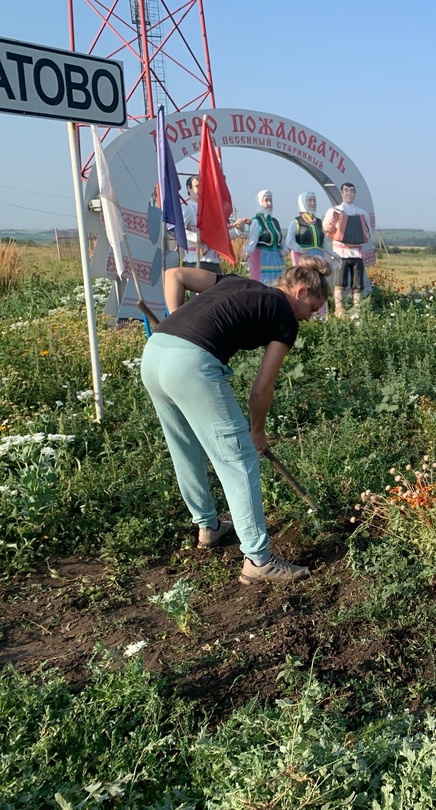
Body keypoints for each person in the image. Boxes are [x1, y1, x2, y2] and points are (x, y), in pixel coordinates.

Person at [141, 256, 331, 585]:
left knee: (185, 447)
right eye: (313, 309)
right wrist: (256, 431)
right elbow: (261, 389)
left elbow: (175, 275)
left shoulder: (237, 282)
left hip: (156, 350)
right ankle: (258, 561)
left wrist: (175, 320)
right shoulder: (286, 317)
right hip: (189, 364)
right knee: (239, 456)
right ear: (300, 292)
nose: (310, 317)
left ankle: (209, 527)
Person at [180, 176, 249, 274]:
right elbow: (179, 230)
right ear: (189, 188)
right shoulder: (187, 208)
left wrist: (239, 230)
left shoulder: (213, 210)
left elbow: (220, 236)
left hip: (214, 263)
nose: (200, 189)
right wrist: (196, 237)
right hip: (196, 262)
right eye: (197, 186)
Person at [322, 182, 371, 316]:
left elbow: (368, 232)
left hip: (356, 253)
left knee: (357, 283)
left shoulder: (362, 213)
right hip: (340, 252)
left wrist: (363, 235)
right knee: (339, 281)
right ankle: (339, 309)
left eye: (351, 191)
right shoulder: (334, 211)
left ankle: (358, 310)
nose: (349, 193)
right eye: (346, 190)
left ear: (355, 193)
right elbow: (326, 229)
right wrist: (334, 228)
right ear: (341, 193)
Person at [285, 191, 336, 317]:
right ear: (303, 202)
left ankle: (321, 315)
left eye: (314, 200)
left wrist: (332, 253)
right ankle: (302, 313)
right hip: (304, 258)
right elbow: (289, 240)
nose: (313, 203)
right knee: (306, 286)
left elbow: (323, 241)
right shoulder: (296, 222)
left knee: (319, 286)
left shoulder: (318, 222)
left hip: (318, 257)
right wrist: (298, 248)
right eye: (309, 201)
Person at [243, 189, 288, 286]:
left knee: (278, 284)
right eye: (266, 200)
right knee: (264, 285)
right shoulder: (256, 221)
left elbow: (282, 240)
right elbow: (252, 241)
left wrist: (285, 250)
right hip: (263, 259)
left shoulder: (275, 221)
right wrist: (247, 252)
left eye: (270, 200)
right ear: (260, 202)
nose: (269, 203)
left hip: (277, 259)